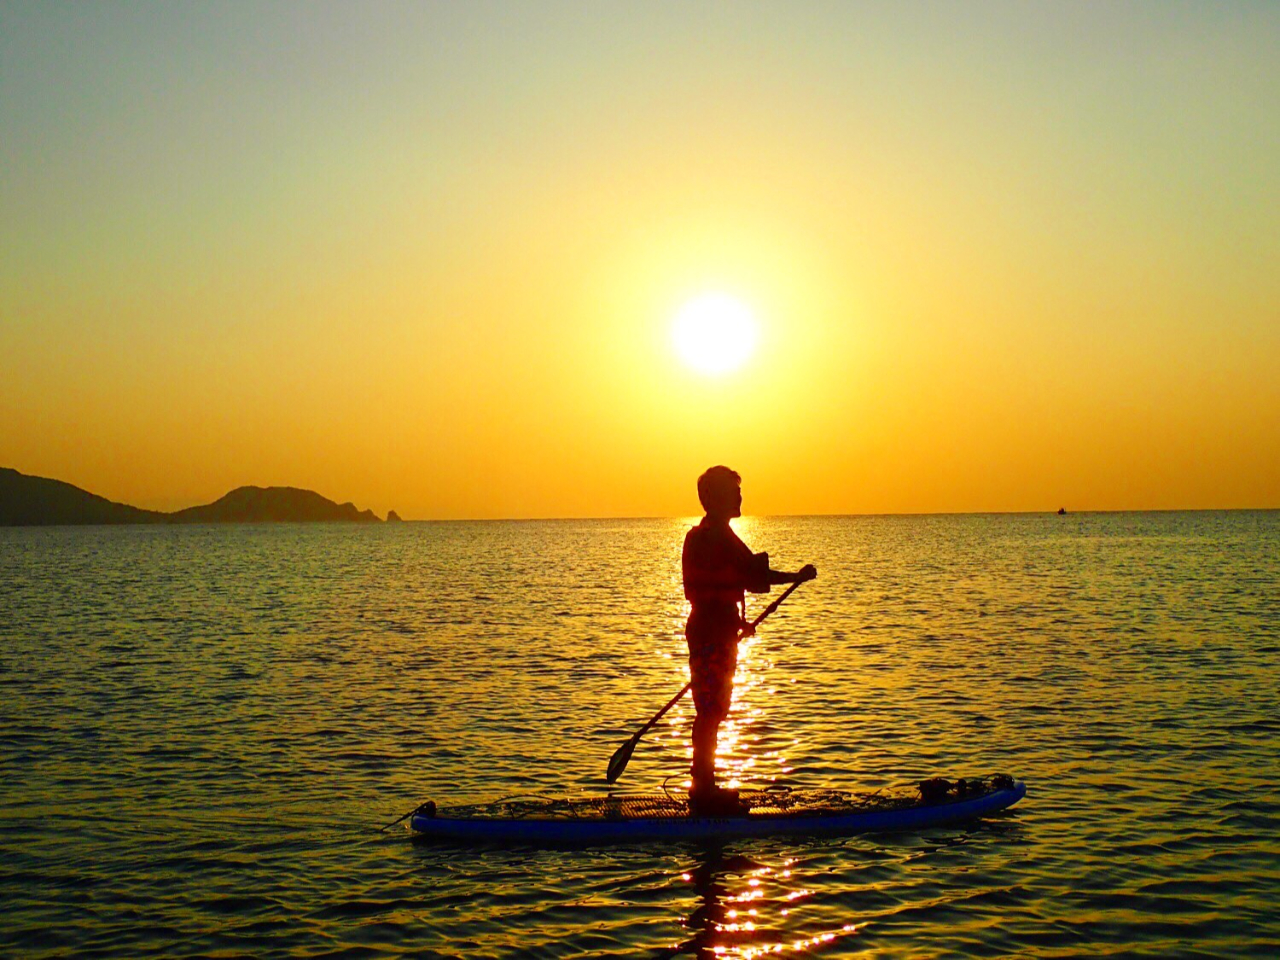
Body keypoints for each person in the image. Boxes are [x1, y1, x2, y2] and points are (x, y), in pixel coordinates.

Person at [682, 465, 816, 815]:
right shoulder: (709, 537)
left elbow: (743, 578)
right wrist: (794, 578)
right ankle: (703, 791)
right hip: (711, 634)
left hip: (718, 631)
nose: (740, 497)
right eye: (733, 491)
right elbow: (751, 576)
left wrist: (737, 622)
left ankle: (704, 786)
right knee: (710, 711)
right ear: (714, 497)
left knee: (714, 709)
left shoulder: (722, 535)